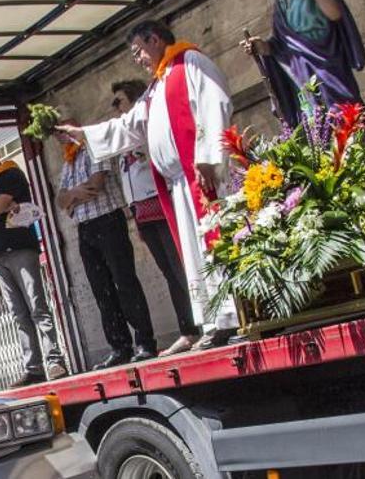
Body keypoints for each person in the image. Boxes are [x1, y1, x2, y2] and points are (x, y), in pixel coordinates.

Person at [56, 20, 239, 350]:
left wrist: (208, 156)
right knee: (194, 257)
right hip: (179, 186)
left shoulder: (190, 63)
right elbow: (129, 127)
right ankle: (214, 320)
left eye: (138, 50)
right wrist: (86, 134)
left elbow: (216, 104)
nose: (137, 58)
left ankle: (233, 315)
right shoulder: (157, 85)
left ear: (155, 40)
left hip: (202, 175)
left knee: (214, 247)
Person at [54, 119, 157, 367]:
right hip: (85, 228)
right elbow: (60, 199)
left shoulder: (95, 148)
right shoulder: (68, 161)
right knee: (102, 290)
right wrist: (75, 194)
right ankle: (119, 346)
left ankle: (145, 341)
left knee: (125, 282)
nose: (60, 137)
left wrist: (73, 196)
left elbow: (96, 186)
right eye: (57, 134)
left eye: (63, 131)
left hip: (108, 220)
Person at [0, 140, 68, 385]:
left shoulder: (11, 173)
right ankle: (33, 368)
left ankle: (54, 360)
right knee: (18, 314)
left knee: (36, 306)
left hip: (21, 248)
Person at [109, 80, 200, 355]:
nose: (115, 109)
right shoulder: (126, 135)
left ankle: (199, 324)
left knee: (181, 265)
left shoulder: (149, 125)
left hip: (161, 202)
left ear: (135, 102)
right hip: (143, 210)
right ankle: (187, 330)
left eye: (119, 102)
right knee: (168, 271)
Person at [241, 0, 365, 125]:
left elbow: (335, 14)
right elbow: (280, 44)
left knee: (343, 109)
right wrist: (262, 46)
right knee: (317, 119)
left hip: (327, 59)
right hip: (300, 70)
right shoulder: (280, 1)